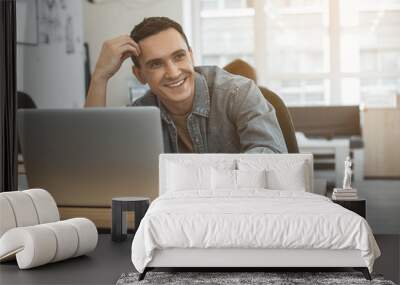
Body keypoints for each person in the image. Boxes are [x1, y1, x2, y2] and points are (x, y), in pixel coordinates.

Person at [85, 17, 287, 154]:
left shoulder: (238, 93)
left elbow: (270, 161)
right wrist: (100, 77)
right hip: (170, 216)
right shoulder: (140, 115)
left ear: (191, 56)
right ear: (140, 75)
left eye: (179, 56)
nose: (173, 72)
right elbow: (92, 159)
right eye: (156, 64)